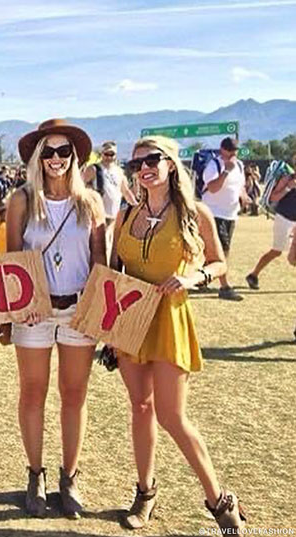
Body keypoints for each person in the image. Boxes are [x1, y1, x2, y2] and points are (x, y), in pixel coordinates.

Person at [112, 135, 246, 531]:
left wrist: (194, 277)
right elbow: (112, 273)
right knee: (140, 407)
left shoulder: (195, 212)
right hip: (130, 321)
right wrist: (108, 331)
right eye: (137, 163)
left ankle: (220, 501)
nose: (144, 168)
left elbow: (220, 264)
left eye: (152, 159)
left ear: (170, 163)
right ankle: (145, 493)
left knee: (172, 415)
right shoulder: (126, 215)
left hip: (170, 319)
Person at [6, 119, 106, 520]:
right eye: (48, 151)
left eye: (64, 151)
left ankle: (69, 476)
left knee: (74, 393)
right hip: (34, 311)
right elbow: (11, 260)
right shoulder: (22, 200)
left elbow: (99, 261)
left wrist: (95, 311)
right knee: (32, 391)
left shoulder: (91, 203)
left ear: (75, 157)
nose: (56, 159)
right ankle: (35, 473)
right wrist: (20, 303)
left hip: (79, 309)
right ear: (37, 157)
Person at [201, 137, 249, 300]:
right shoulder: (214, 165)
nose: (232, 154)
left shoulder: (240, 165)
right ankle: (224, 286)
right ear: (222, 149)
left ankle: (202, 278)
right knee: (222, 250)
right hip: (214, 213)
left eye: (235, 151)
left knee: (216, 250)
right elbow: (212, 188)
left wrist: (244, 196)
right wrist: (226, 171)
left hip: (230, 214)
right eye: (229, 151)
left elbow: (240, 186)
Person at [246, 157, 296, 290]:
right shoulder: (287, 179)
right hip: (284, 218)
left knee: (293, 259)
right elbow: (273, 197)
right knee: (277, 251)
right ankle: (253, 275)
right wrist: (288, 188)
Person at [84, 141, 138, 256]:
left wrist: (136, 207)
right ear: (101, 154)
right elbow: (80, 187)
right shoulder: (93, 169)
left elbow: (126, 192)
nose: (109, 157)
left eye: (111, 154)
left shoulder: (119, 172)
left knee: (109, 249)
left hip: (113, 216)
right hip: (96, 216)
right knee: (96, 249)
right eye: (106, 154)